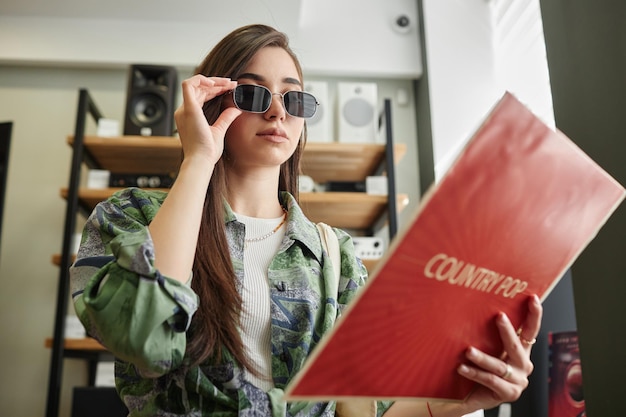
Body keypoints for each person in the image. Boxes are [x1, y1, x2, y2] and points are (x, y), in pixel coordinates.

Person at [70, 23, 543, 417]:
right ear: (213, 102)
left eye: (294, 100)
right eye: (254, 95)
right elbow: (139, 335)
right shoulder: (131, 217)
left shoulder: (333, 254)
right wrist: (199, 158)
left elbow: (360, 408)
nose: (278, 111)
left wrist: (461, 399)